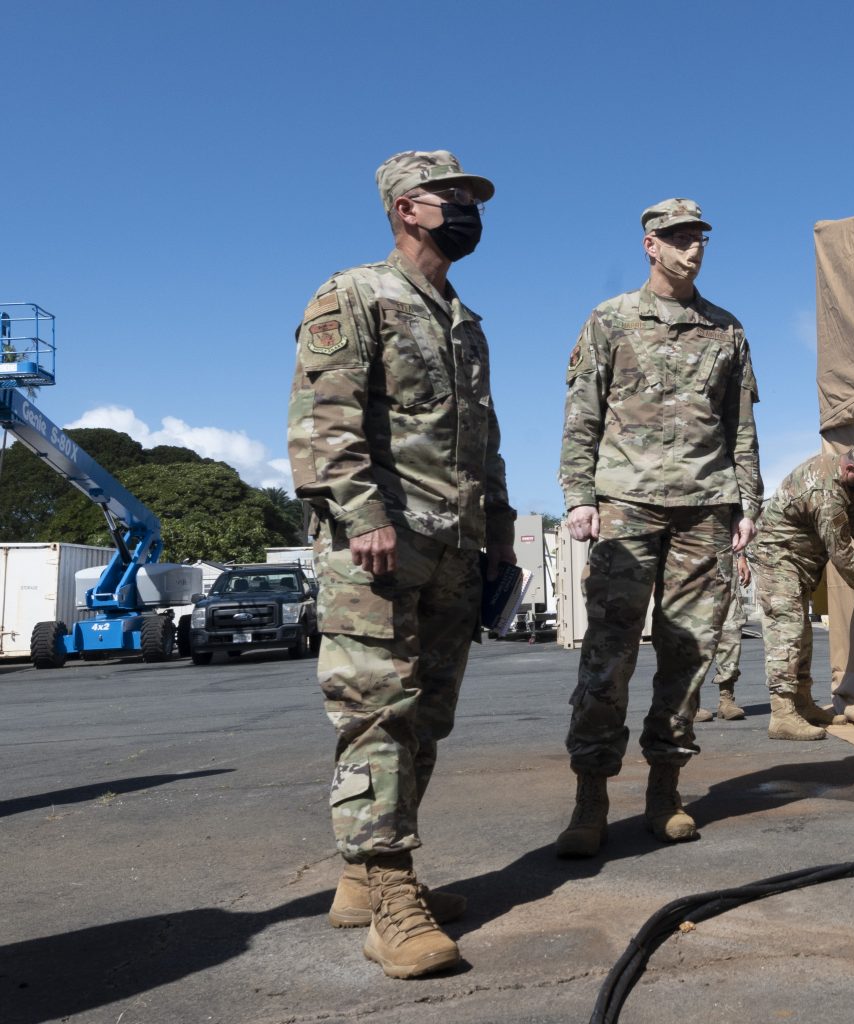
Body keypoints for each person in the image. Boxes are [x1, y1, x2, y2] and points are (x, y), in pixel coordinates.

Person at [288, 150, 518, 979]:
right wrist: (360, 514)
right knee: (377, 713)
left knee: (427, 719)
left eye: (470, 197)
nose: (467, 207)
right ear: (405, 207)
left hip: (454, 548)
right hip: (378, 544)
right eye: (452, 195)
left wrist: (498, 529)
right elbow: (325, 416)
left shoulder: (463, 319)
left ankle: (360, 878)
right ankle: (391, 897)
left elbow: (481, 438)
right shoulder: (353, 293)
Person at [556, 198, 762, 858]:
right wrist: (579, 495)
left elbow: (740, 427)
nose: (692, 249)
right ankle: (591, 798)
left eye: (699, 237)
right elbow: (582, 411)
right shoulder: (611, 320)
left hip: (706, 506)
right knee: (608, 656)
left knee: (689, 653)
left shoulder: (726, 330)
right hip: (627, 503)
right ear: (650, 245)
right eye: (677, 238)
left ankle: (665, 790)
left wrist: (747, 503)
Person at [751, 439, 854, 741]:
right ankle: (782, 714)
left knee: (803, 633)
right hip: (778, 558)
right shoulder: (826, 491)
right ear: (850, 469)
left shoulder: (842, 483)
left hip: (798, 562)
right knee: (788, 631)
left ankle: (803, 705)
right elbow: (841, 552)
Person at [694, 553, 752, 723]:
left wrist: (741, 557)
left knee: (731, 629)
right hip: (692, 559)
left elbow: (738, 526)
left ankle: (726, 698)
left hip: (727, 562)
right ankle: (689, 701)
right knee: (695, 633)